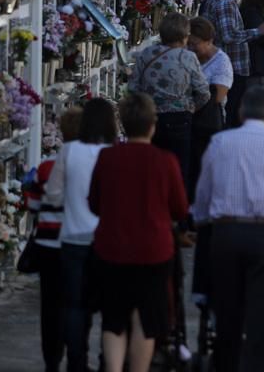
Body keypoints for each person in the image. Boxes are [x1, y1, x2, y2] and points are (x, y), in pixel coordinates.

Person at [192, 87, 264, 372]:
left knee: (227, 310)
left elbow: (203, 195)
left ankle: (226, 362)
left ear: (241, 113)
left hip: (226, 233)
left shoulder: (220, 142)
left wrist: (203, 224)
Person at [87, 94, 188, 372]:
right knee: (146, 319)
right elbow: (180, 209)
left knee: (114, 318)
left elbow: (94, 203)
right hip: (153, 252)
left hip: (112, 247)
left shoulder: (108, 157)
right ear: (152, 125)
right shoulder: (165, 161)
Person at [44, 98, 119, 372]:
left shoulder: (69, 151)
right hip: (106, 242)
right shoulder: (114, 152)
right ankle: (107, 360)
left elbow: (53, 194)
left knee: (75, 306)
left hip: (73, 236)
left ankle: (77, 361)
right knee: (111, 307)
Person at [28, 107, 84, 372]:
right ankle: (76, 358)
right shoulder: (89, 163)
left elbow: (33, 203)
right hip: (76, 243)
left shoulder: (48, 165)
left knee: (50, 306)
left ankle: (52, 360)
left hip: (48, 244)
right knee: (75, 303)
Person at [130, 13, 210, 196]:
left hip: (150, 120)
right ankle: (178, 215)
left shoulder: (145, 54)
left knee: (152, 167)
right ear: (184, 35)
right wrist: (191, 107)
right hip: (180, 119)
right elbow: (203, 92)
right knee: (179, 168)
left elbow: (133, 88)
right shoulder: (187, 57)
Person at [201, 0, 264, 126]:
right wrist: (257, 32)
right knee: (230, 116)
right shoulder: (224, 1)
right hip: (230, 68)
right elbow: (229, 36)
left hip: (230, 67)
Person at [188, 16, 233, 190]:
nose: (191, 48)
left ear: (209, 41)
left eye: (195, 44)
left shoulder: (222, 62)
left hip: (208, 122)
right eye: (188, 43)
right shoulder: (188, 57)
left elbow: (217, 97)